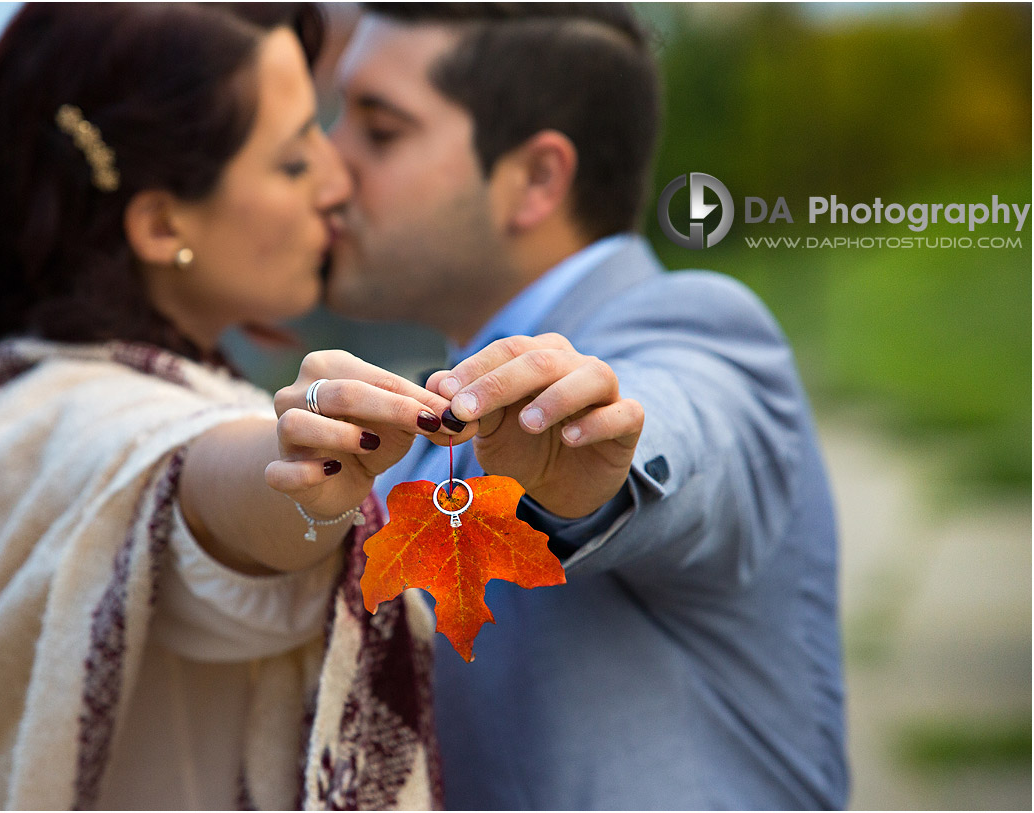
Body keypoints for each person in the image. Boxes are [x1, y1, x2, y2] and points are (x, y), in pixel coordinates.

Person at [0, 4, 455, 809]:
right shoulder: (54, 419)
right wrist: (300, 465)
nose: (337, 182)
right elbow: (181, 476)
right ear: (160, 222)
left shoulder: (68, 394)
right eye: (293, 162)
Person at [324, 3, 850, 808]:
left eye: (380, 130)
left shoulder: (696, 325)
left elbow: (686, 421)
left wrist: (596, 463)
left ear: (537, 180)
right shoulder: (440, 405)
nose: (329, 169)